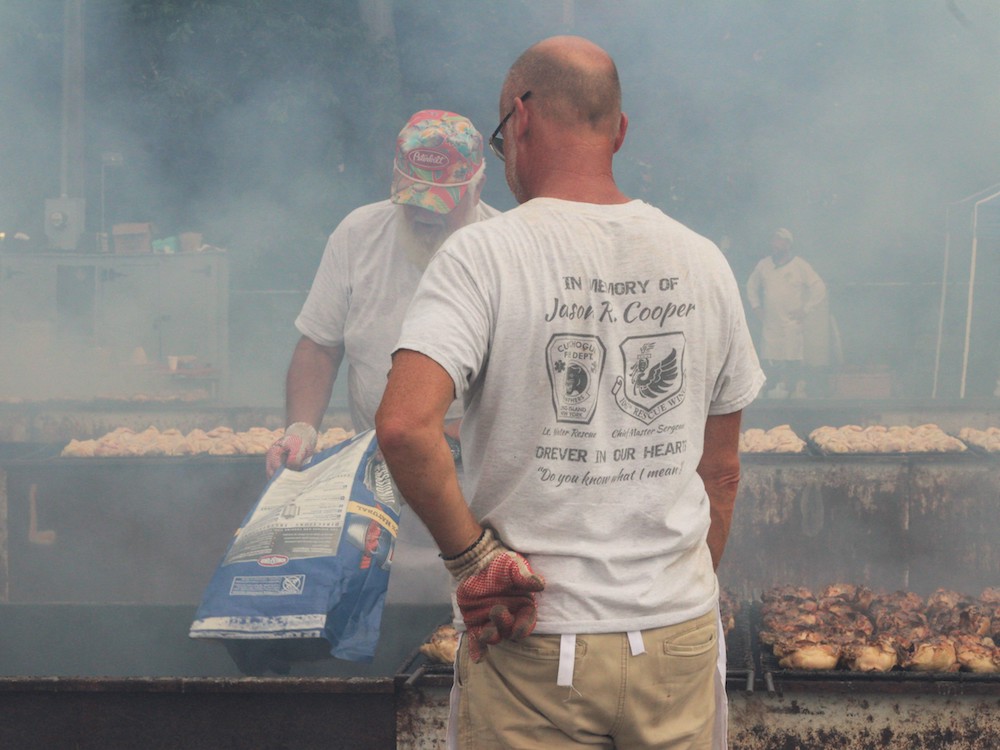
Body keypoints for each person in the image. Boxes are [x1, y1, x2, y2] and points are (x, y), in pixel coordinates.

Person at [376, 36, 764, 750]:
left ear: (519, 120)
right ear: (618, 131)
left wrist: (474, 562)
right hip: (676, 638)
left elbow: (404, 426)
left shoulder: (482, 253)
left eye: (499, 139)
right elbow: (723, 472)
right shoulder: (703, 261)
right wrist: (673, 598)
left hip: (532, 639)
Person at [266, 109, 499, 604]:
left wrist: (450, 432)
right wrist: (301, 429)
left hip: (477, 487)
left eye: (440, 203)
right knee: (385, 609)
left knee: (469, 608)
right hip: (379, 478)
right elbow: (319, 346)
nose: (422, 213)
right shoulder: (358, 235)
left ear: (476, 189)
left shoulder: (504, 249)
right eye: (412, 199)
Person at [746, 227, 827, 398]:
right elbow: (751, 285)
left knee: (792, 356)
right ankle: (769, 389)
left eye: (779, 241)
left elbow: (819, 287)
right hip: (770, 322)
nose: (775, 244)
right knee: (770, 357)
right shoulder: (764, 265)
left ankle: (792, 391)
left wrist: (806, 309)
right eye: (774, 240)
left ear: (788, 244)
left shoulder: (800, 265)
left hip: (791, 322)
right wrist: (756, 307)